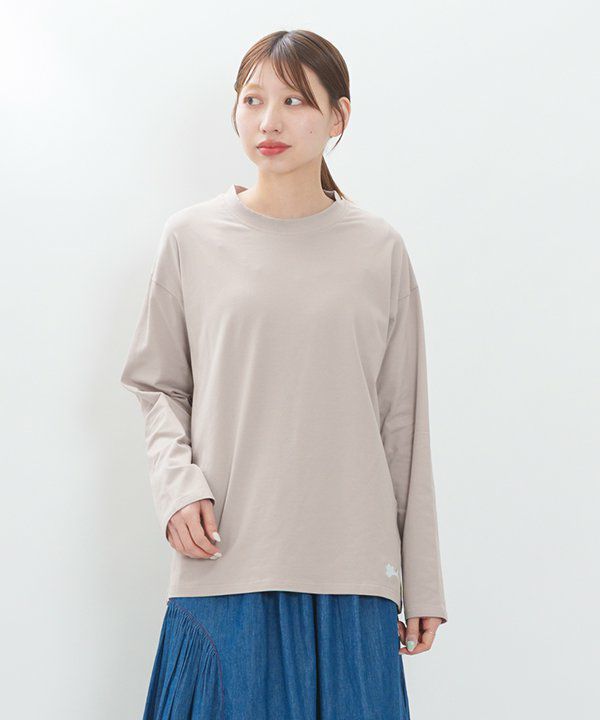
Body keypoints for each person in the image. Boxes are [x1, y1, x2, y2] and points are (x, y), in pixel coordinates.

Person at [120, 28, 448, 720]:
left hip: (352, 573)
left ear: (338, 117)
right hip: (225, 560)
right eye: (253, 99)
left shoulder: (378, 249)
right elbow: (158, 385)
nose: (269, 120)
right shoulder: (191, 238)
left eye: (295, 101)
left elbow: (403, 421)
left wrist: (422, 579)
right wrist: (177, 488)